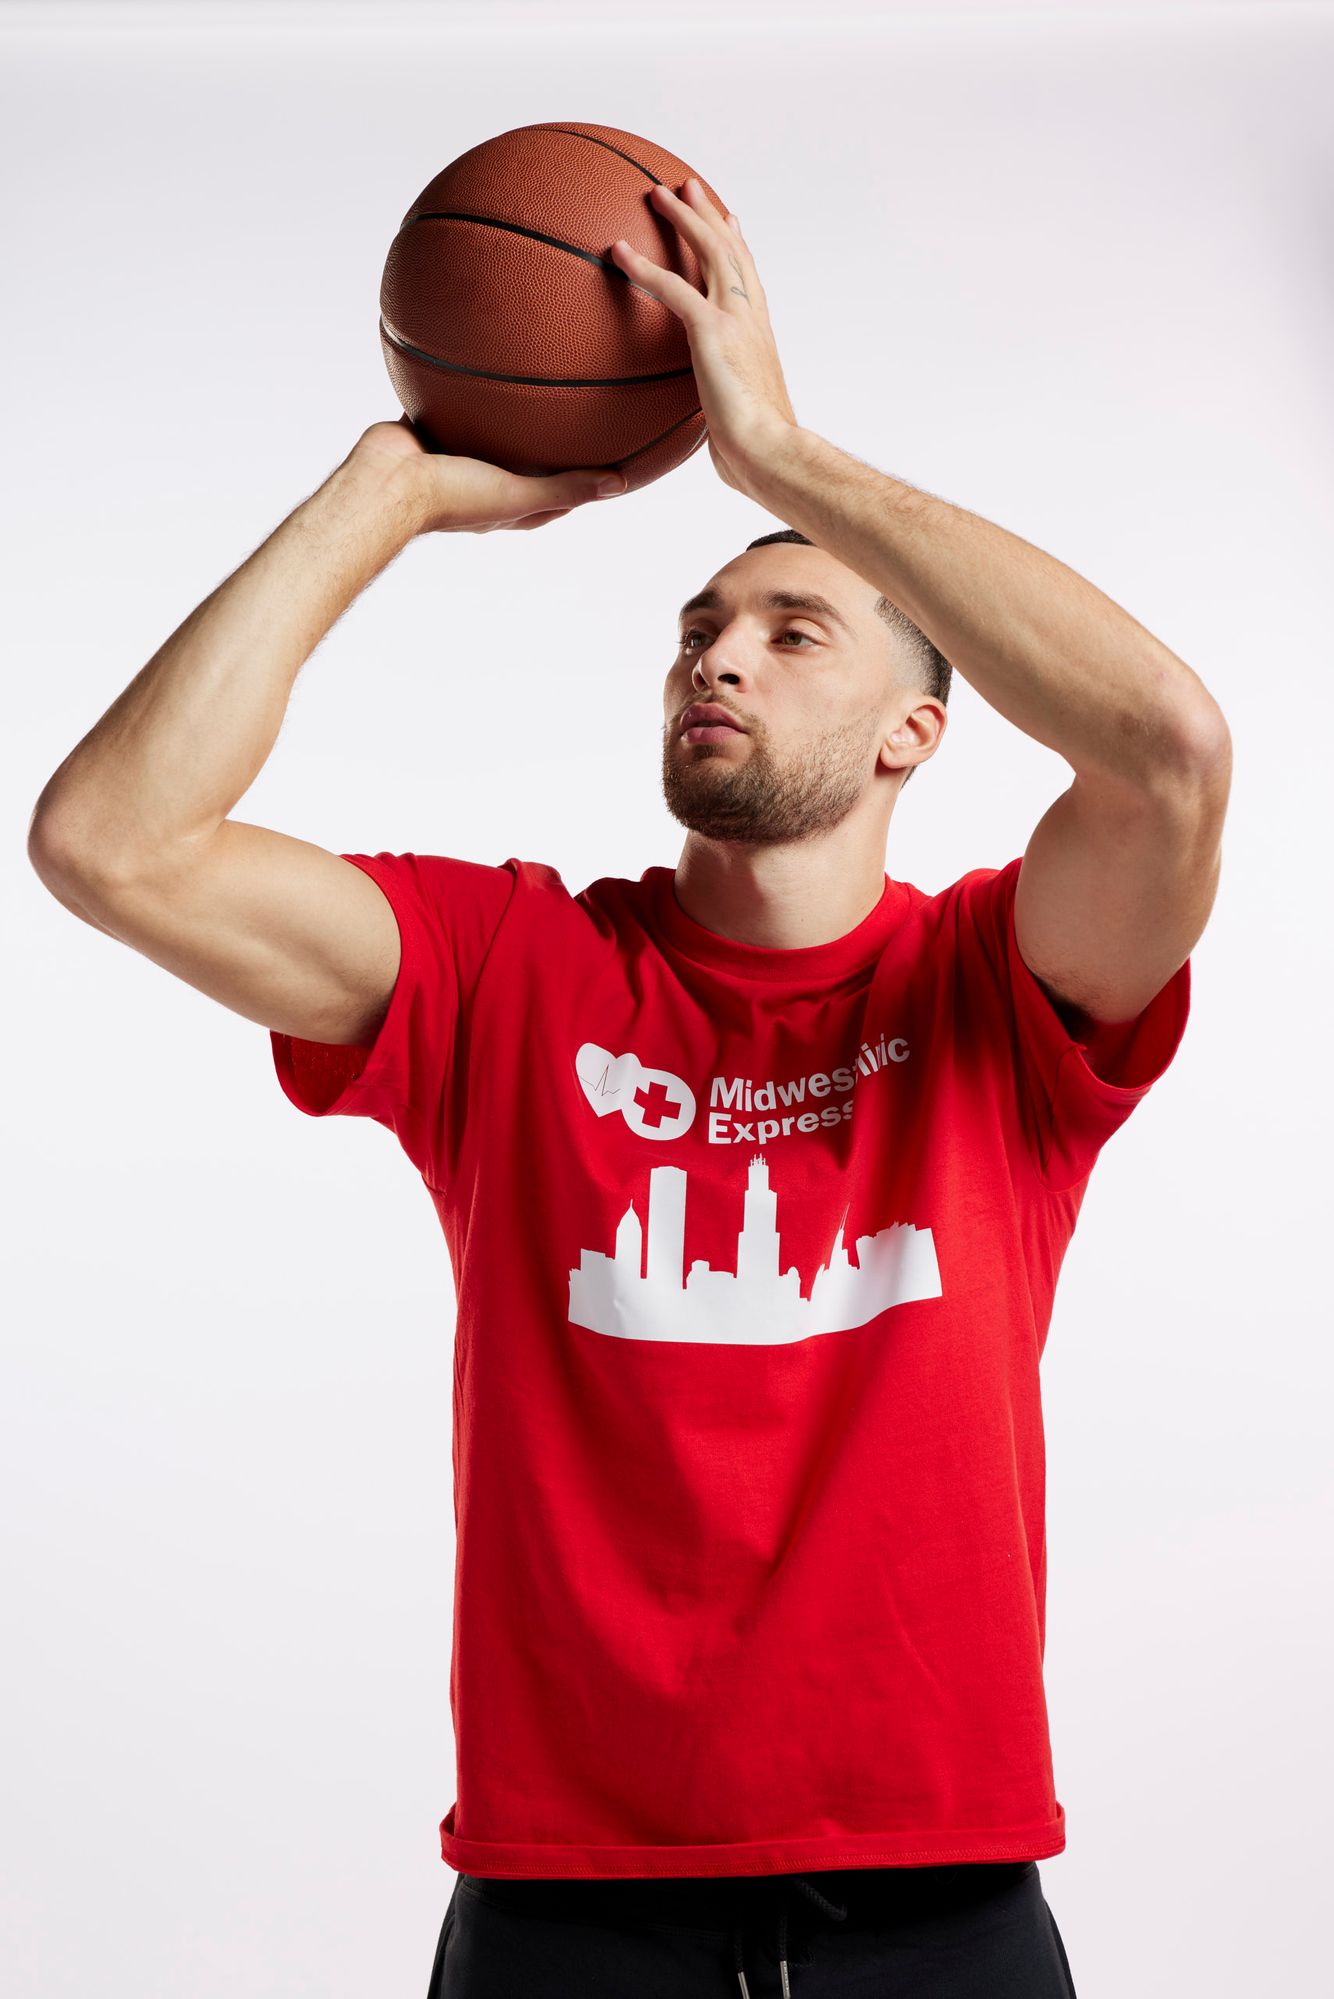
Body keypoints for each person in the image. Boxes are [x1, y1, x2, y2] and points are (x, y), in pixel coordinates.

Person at [29, 182, 1231, 1998]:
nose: (717, 653)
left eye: (794, 629)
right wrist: (390, 487)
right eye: (695, 627)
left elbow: (1169, 749)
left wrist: (782, 461)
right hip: (562, 1900)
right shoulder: (504, 975)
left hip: (938, 1890)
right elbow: (110, 843)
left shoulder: (1001, 989)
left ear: (920, 727)